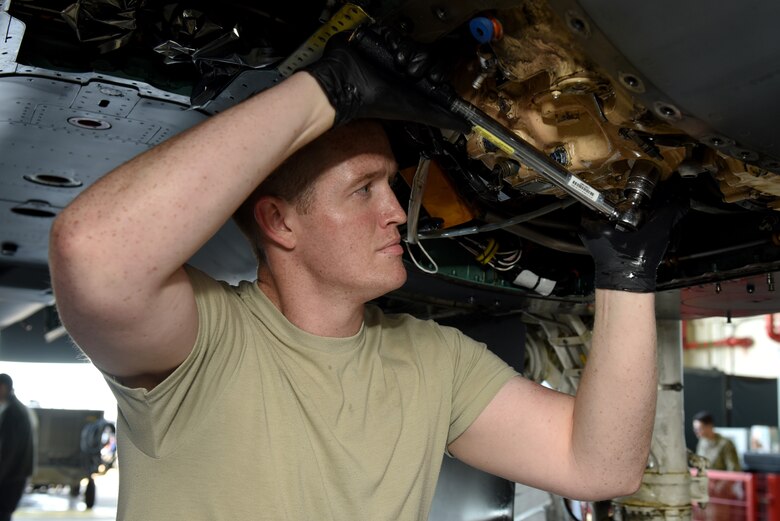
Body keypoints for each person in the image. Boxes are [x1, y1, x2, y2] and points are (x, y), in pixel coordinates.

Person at [48, 30, 680, 520]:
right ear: (280, 223)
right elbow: (92, 252)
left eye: (392, 186)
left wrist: (625, 278)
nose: (395, 213)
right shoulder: (204, 344)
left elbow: (600, 467)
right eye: (363, 191)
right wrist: (333, 88)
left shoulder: (434, 364)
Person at [0, 374, 35, 521]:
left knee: (3, 512)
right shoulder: (13, 408)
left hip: (11, 475)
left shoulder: (14, 412)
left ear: (5, 388)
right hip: (13, 474)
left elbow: (10, 450)